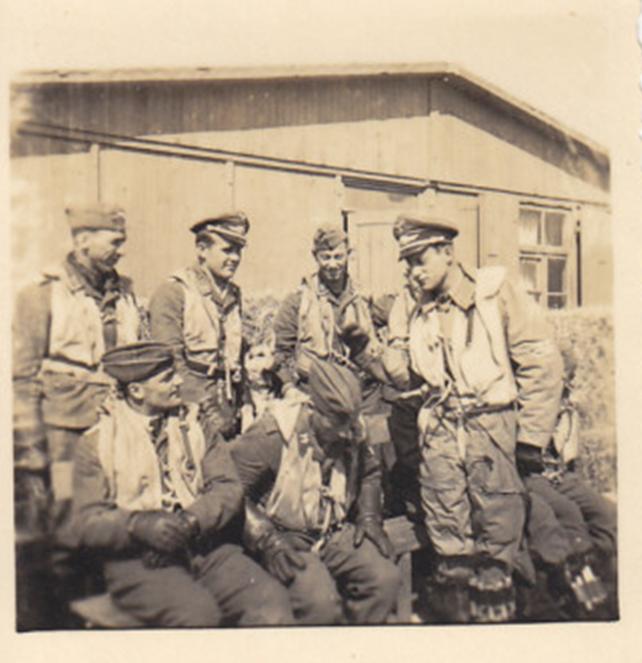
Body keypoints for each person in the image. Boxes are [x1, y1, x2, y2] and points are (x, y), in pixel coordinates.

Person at [343, 213, 564, 623]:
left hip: (490, 429)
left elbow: (541, 363)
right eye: (408, 262)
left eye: (420, 259)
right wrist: (365, 351)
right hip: (440, 431)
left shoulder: (494, 293)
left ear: (447, 251)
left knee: (498, 532)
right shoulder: (414, 308)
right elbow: (406, 375)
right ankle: (456, 623)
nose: (413, 271)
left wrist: (531, 438)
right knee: (448, 534)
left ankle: (501, 622)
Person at [70, 342, 293, 627]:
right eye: (167, 378)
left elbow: (227, 487)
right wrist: (137, 525)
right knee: (197, 616)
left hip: (205, 547)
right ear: (137, 391)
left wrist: (190, 521)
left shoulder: (197, 424)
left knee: (270, 604)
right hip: (140, 560)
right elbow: (87, 522)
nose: (179, 381)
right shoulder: (98, 442)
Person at [13, 203, 147, 627]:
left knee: (109, 514)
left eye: (123, 241)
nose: (121, 250)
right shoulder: (41, 294)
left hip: (112, 425)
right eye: (115, 241)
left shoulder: (125, 292)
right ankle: (57, 622)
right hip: (63, 429)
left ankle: (101, 610)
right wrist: (31, 453)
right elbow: (21, 378)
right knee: (65, 524)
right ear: (82, 239)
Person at [230, 357, 401, 625]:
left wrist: (369, 517)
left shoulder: (352, 428)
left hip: (334, 529)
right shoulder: (273, 435)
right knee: (319, 601)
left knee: (384, 579)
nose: (346, 433)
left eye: (350, 422)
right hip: (286, 536)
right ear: (313, 408)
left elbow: (369, 473)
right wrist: (267, 539)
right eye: (337, 422)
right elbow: (229, 490)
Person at [272, 224, 389, 446]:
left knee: (368, 456)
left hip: (363, 395)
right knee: (324, 456)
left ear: (348, 255)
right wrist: (288, 387)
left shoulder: (365, 298)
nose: (333, 264)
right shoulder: (298, 301)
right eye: (325, 257)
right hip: (318, 396)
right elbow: (280, 352)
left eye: (338, 257)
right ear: (315, 256)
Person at [149, 212, 249, 440]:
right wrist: (205, 406)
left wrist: (244, 402)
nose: (235, 258)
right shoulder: (174, 292)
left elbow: (236, 353)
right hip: (190, 406)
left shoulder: (233, 294)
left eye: (239, 251)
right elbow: (169, 359)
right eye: (227, 250)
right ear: (202, 250)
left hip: (227, 403)